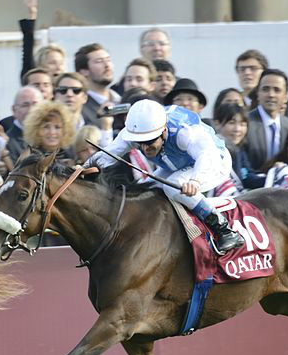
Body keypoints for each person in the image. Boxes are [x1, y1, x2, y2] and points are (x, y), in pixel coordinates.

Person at [87, 100, 245, 253]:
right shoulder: (136, 130)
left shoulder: (185, 131)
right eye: (139, 142)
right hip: (179, 165)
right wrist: (83, 167)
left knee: (172, 185)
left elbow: (207, 155)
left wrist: (195, 181)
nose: (144, 147)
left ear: (163, 131)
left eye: (149, 141)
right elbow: (109, 154)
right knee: (145, 189)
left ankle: (224, 229)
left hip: (213, 162)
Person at [242, 69, 288, 173]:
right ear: (258, 93)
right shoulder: (245, 123)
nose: (271, 94)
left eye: (277, 90)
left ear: (285, 97)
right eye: (265, 89)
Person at [75, 43, 117, 125]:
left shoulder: (121, 99)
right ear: (84, 71)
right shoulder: (80, 108)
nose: (107, 65)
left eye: (108, 60)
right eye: (99, 61)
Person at [1, 86, 43, 167]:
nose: (31, 110)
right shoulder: (8, 144)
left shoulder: (52, 136)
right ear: (14, 110)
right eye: (25, 105)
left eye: (35, 104)